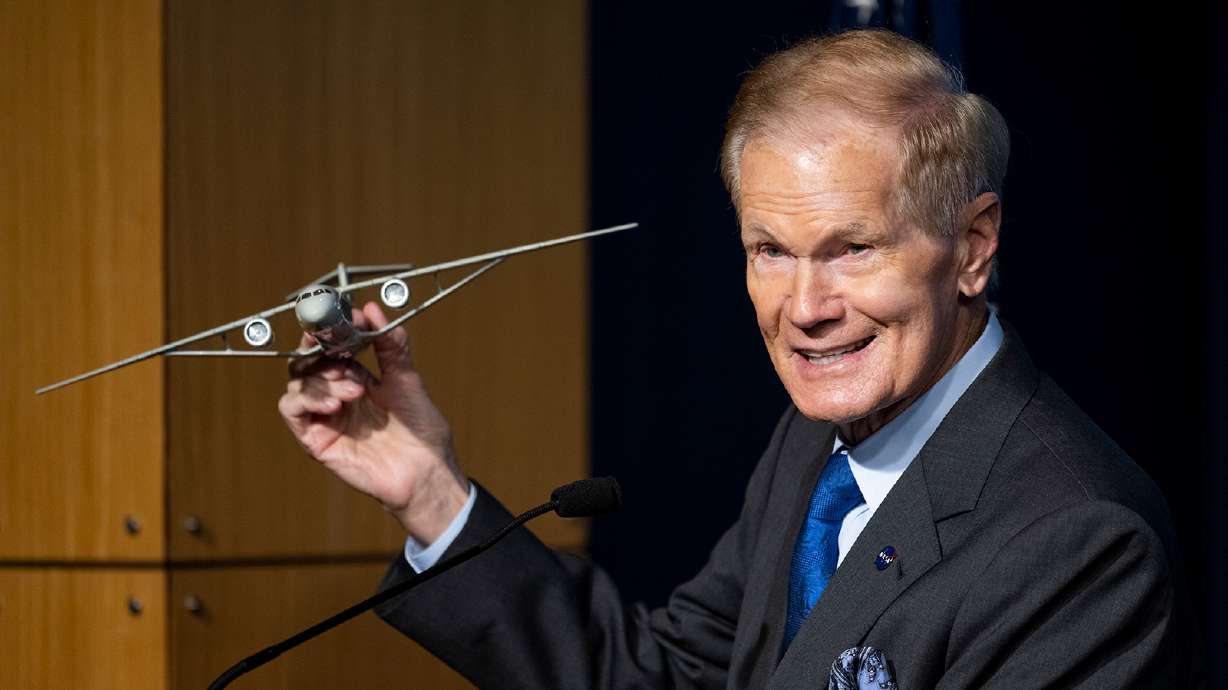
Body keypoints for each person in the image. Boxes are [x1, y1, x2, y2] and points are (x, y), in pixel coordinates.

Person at [278, 29, 1202, 688]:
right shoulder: (819, 444)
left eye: (854, 248)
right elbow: (658, 678)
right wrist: (429, 492)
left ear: (971, 246)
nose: (805, 310)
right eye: (770, 251)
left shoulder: (1081, 541)